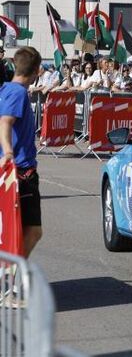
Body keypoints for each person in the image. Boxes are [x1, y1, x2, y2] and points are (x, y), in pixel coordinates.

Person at [0, 46, 44, 259]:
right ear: (36, 71)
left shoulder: (6, 89)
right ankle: (11, 272)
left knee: (13, 230)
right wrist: (8, 153)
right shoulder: (17, 92)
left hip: (15, 171)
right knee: (33, 230)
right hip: (20, 171)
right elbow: (5, 122)